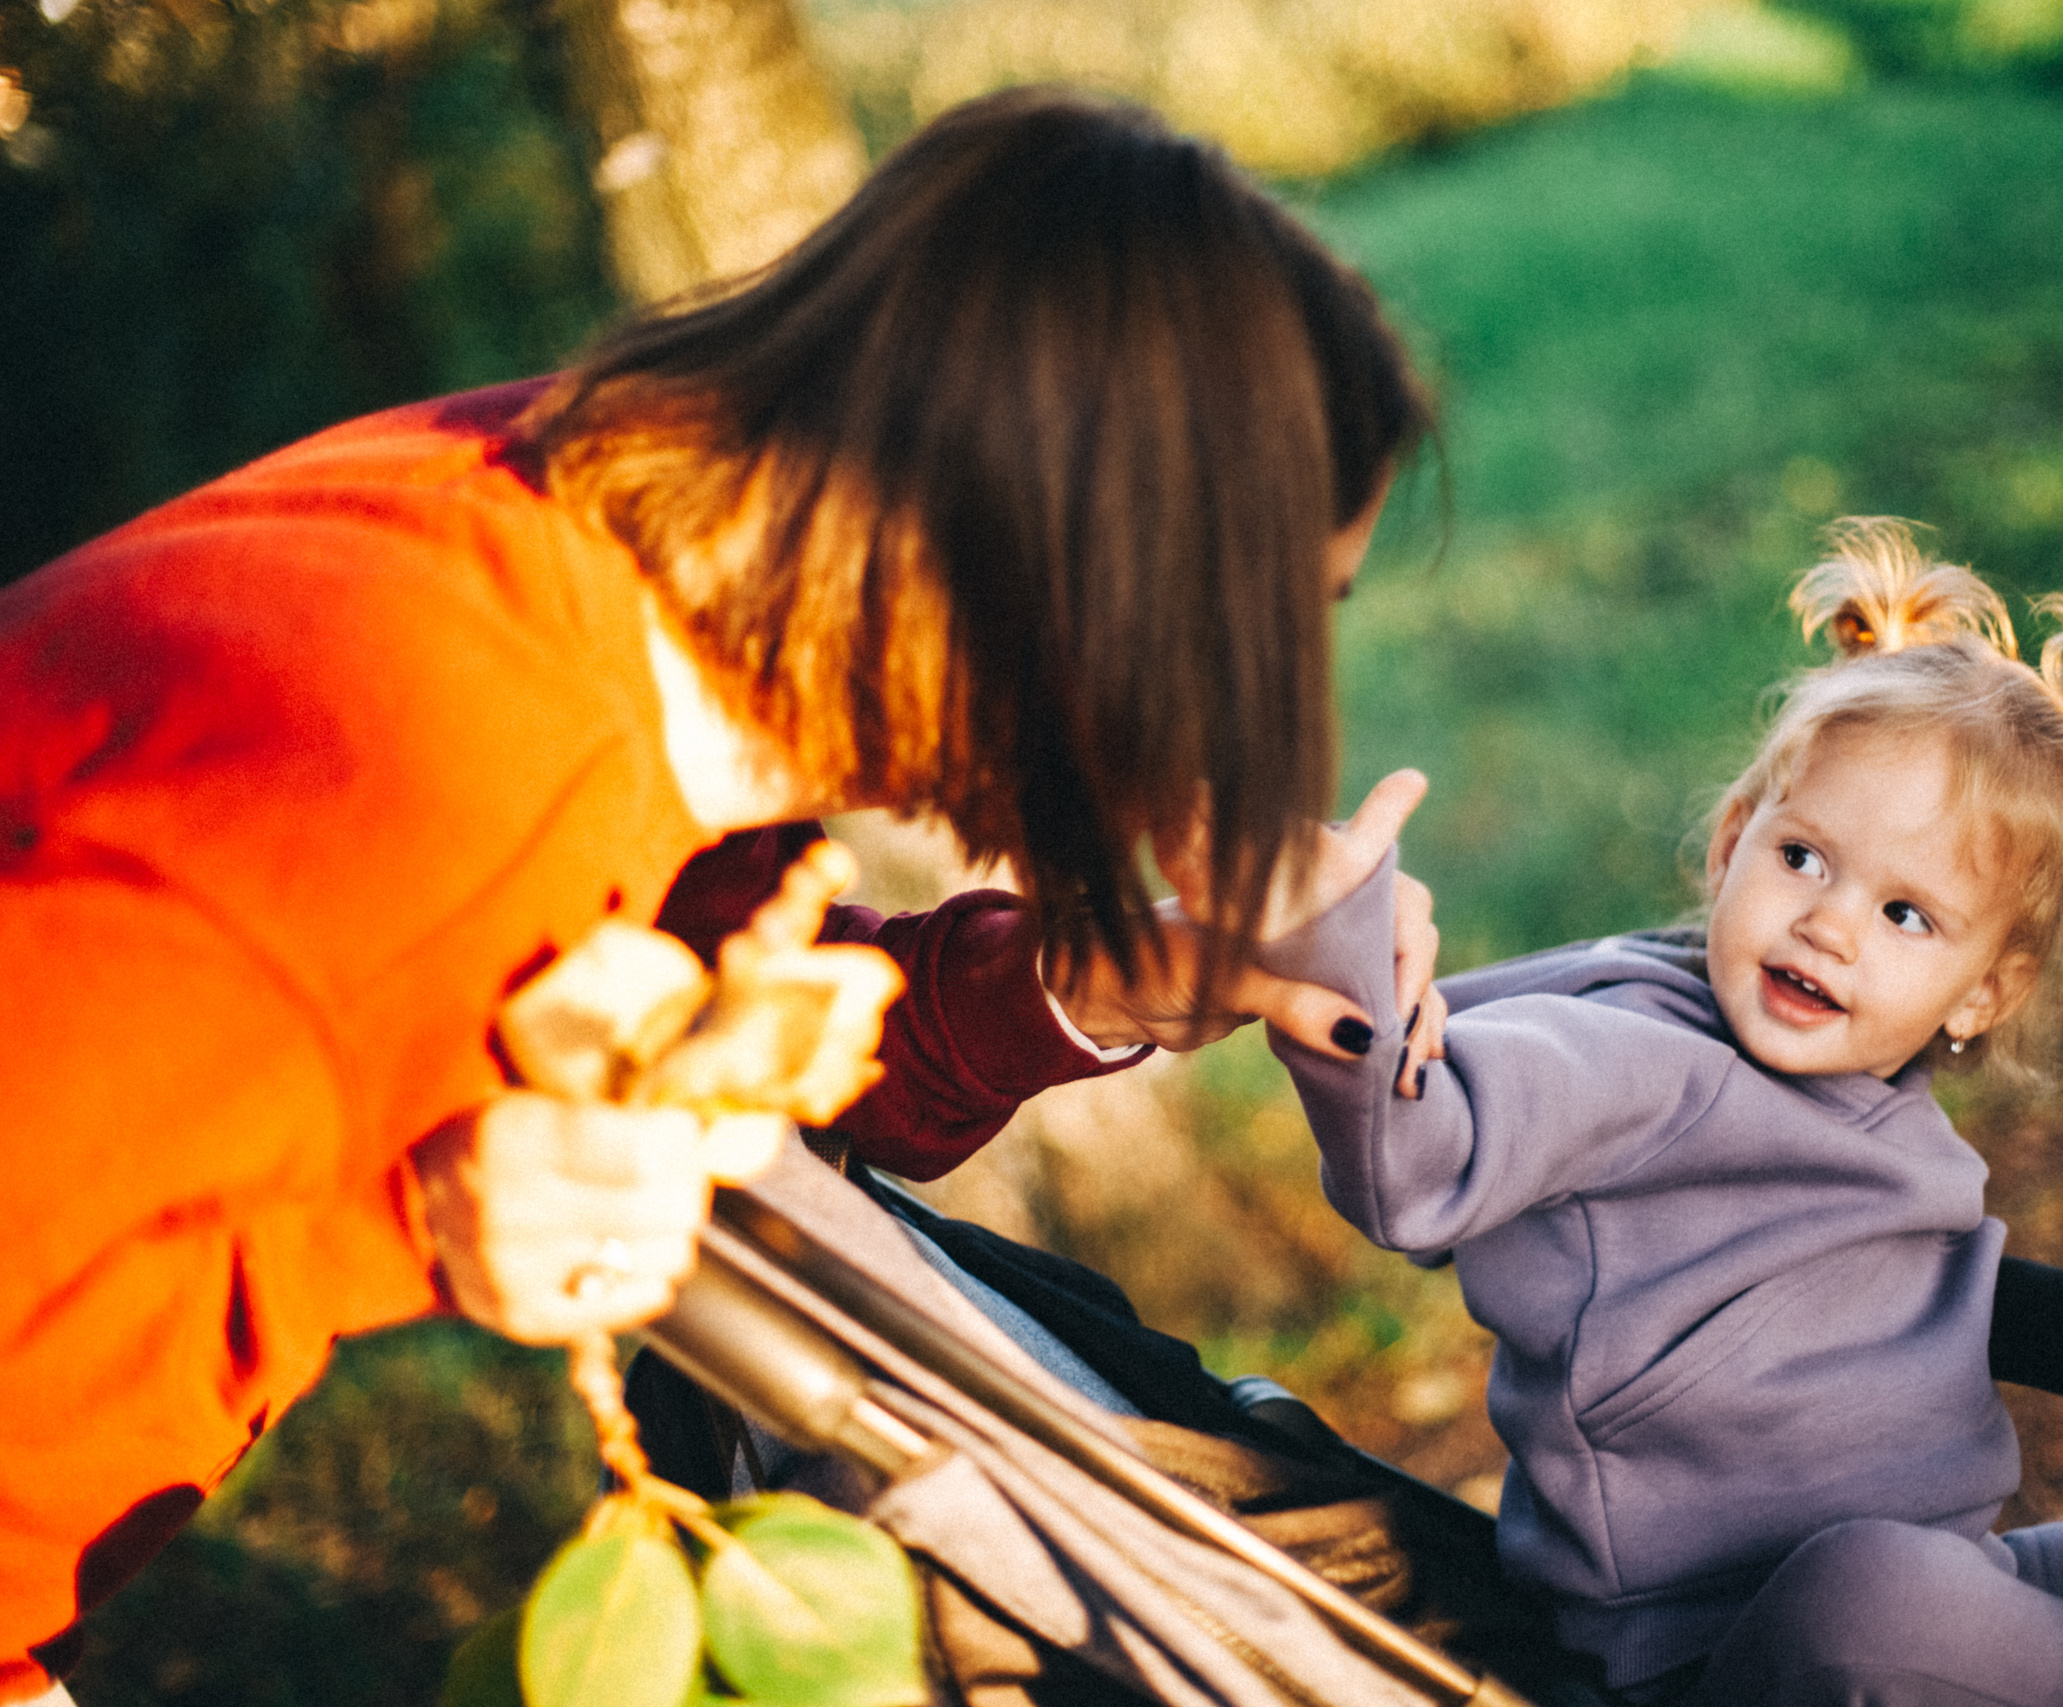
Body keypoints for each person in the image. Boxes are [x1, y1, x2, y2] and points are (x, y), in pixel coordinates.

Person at [0, 88, 1442, 1703]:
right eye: (1248, 625)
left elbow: (708, 1033)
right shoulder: (401, 775)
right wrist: (418, 1204)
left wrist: (1113, 979)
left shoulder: (625, 560)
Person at [1261, 519, 2063, 1707]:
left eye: (1907, 915)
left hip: (1950, 1586)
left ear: (1984, 991)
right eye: (1803, 859)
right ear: (1735, 841)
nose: (1829, 923)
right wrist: (1340, 954)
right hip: (1734, 1655)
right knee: (1870, 1595)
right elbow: (1418, 1161)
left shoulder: (1881, 1118)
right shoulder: (1628, 1060)